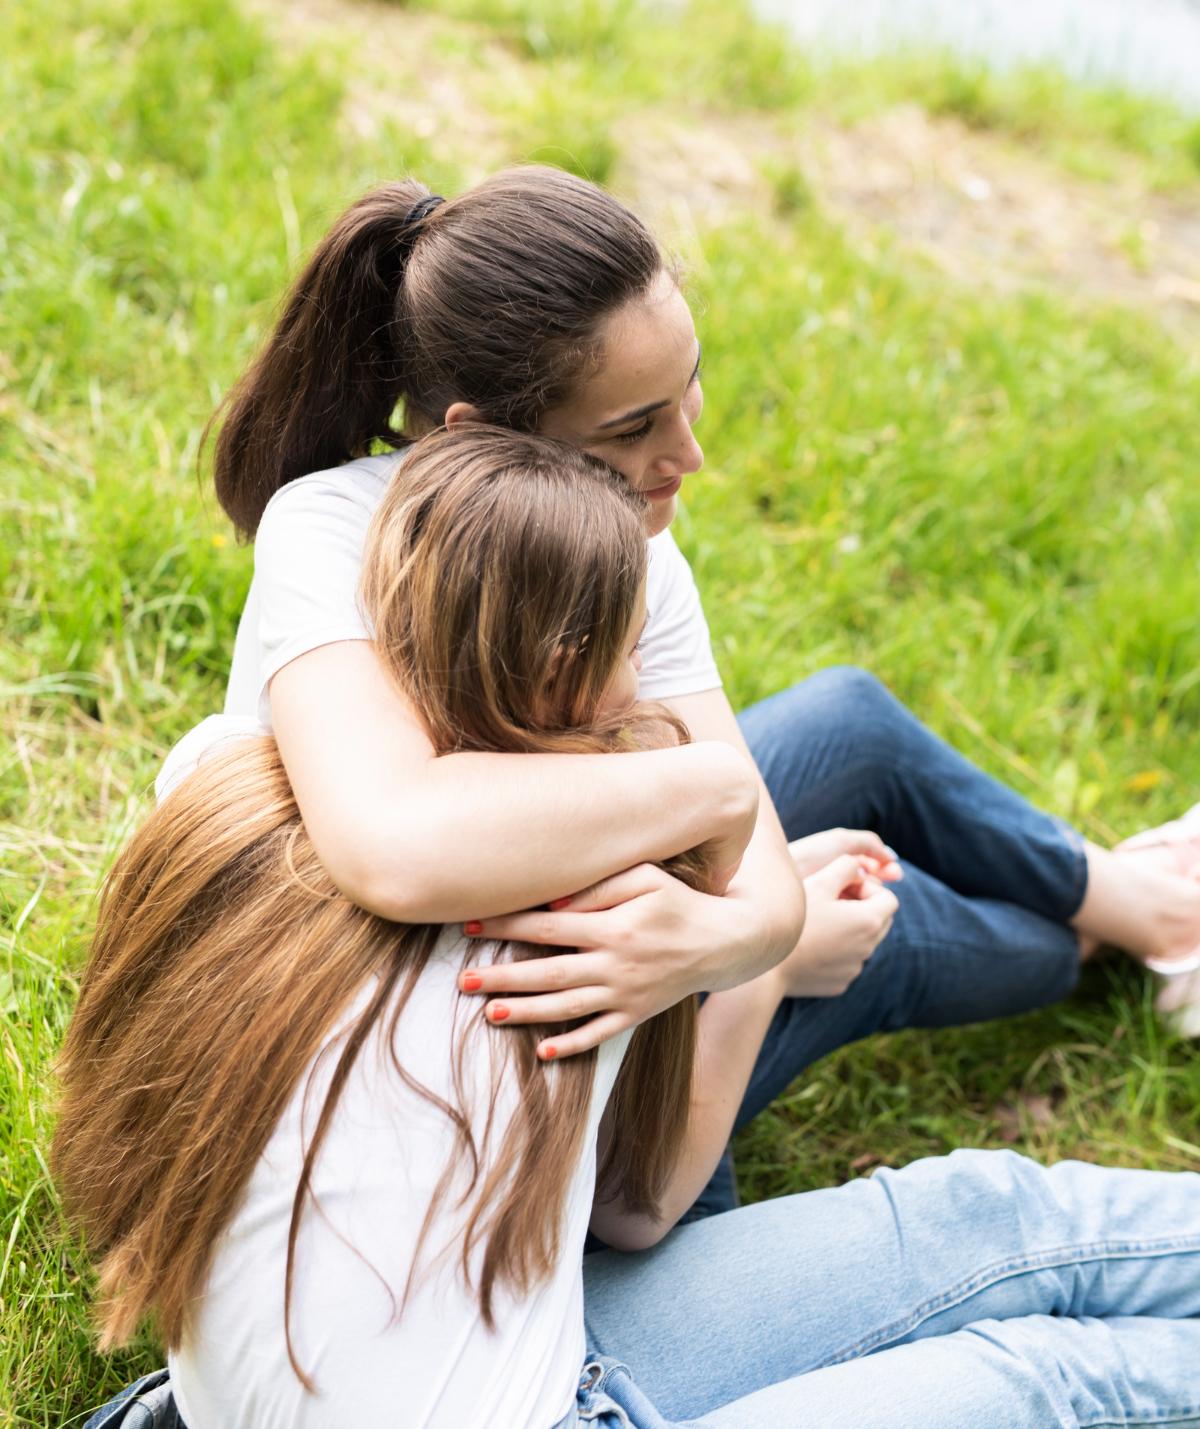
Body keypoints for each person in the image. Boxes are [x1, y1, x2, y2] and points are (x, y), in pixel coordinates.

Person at [52, 426, 1200, 1429]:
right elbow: (646, 1207)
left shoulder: (234, 780)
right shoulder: (569, 910)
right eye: (630, 652)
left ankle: (1126, 914)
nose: (650, 693)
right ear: (562, 666)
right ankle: (1134, 913)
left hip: (466, 1378)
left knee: (983, 1214)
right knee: (1046, 1383)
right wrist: (743, 922)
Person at [193, 163, 1200, 1218]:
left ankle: (1145, 910)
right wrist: (760, 937)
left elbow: (753, 876)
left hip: (588, 918)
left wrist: (722, 937)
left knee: (850, 729)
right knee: (876, 923)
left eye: (689, 388)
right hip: (500, 1064)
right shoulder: (331, 532)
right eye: (631, 430)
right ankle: (1112, 928)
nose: (690, 454)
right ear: (476, 434)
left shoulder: (628, 550)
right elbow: (394, 846)